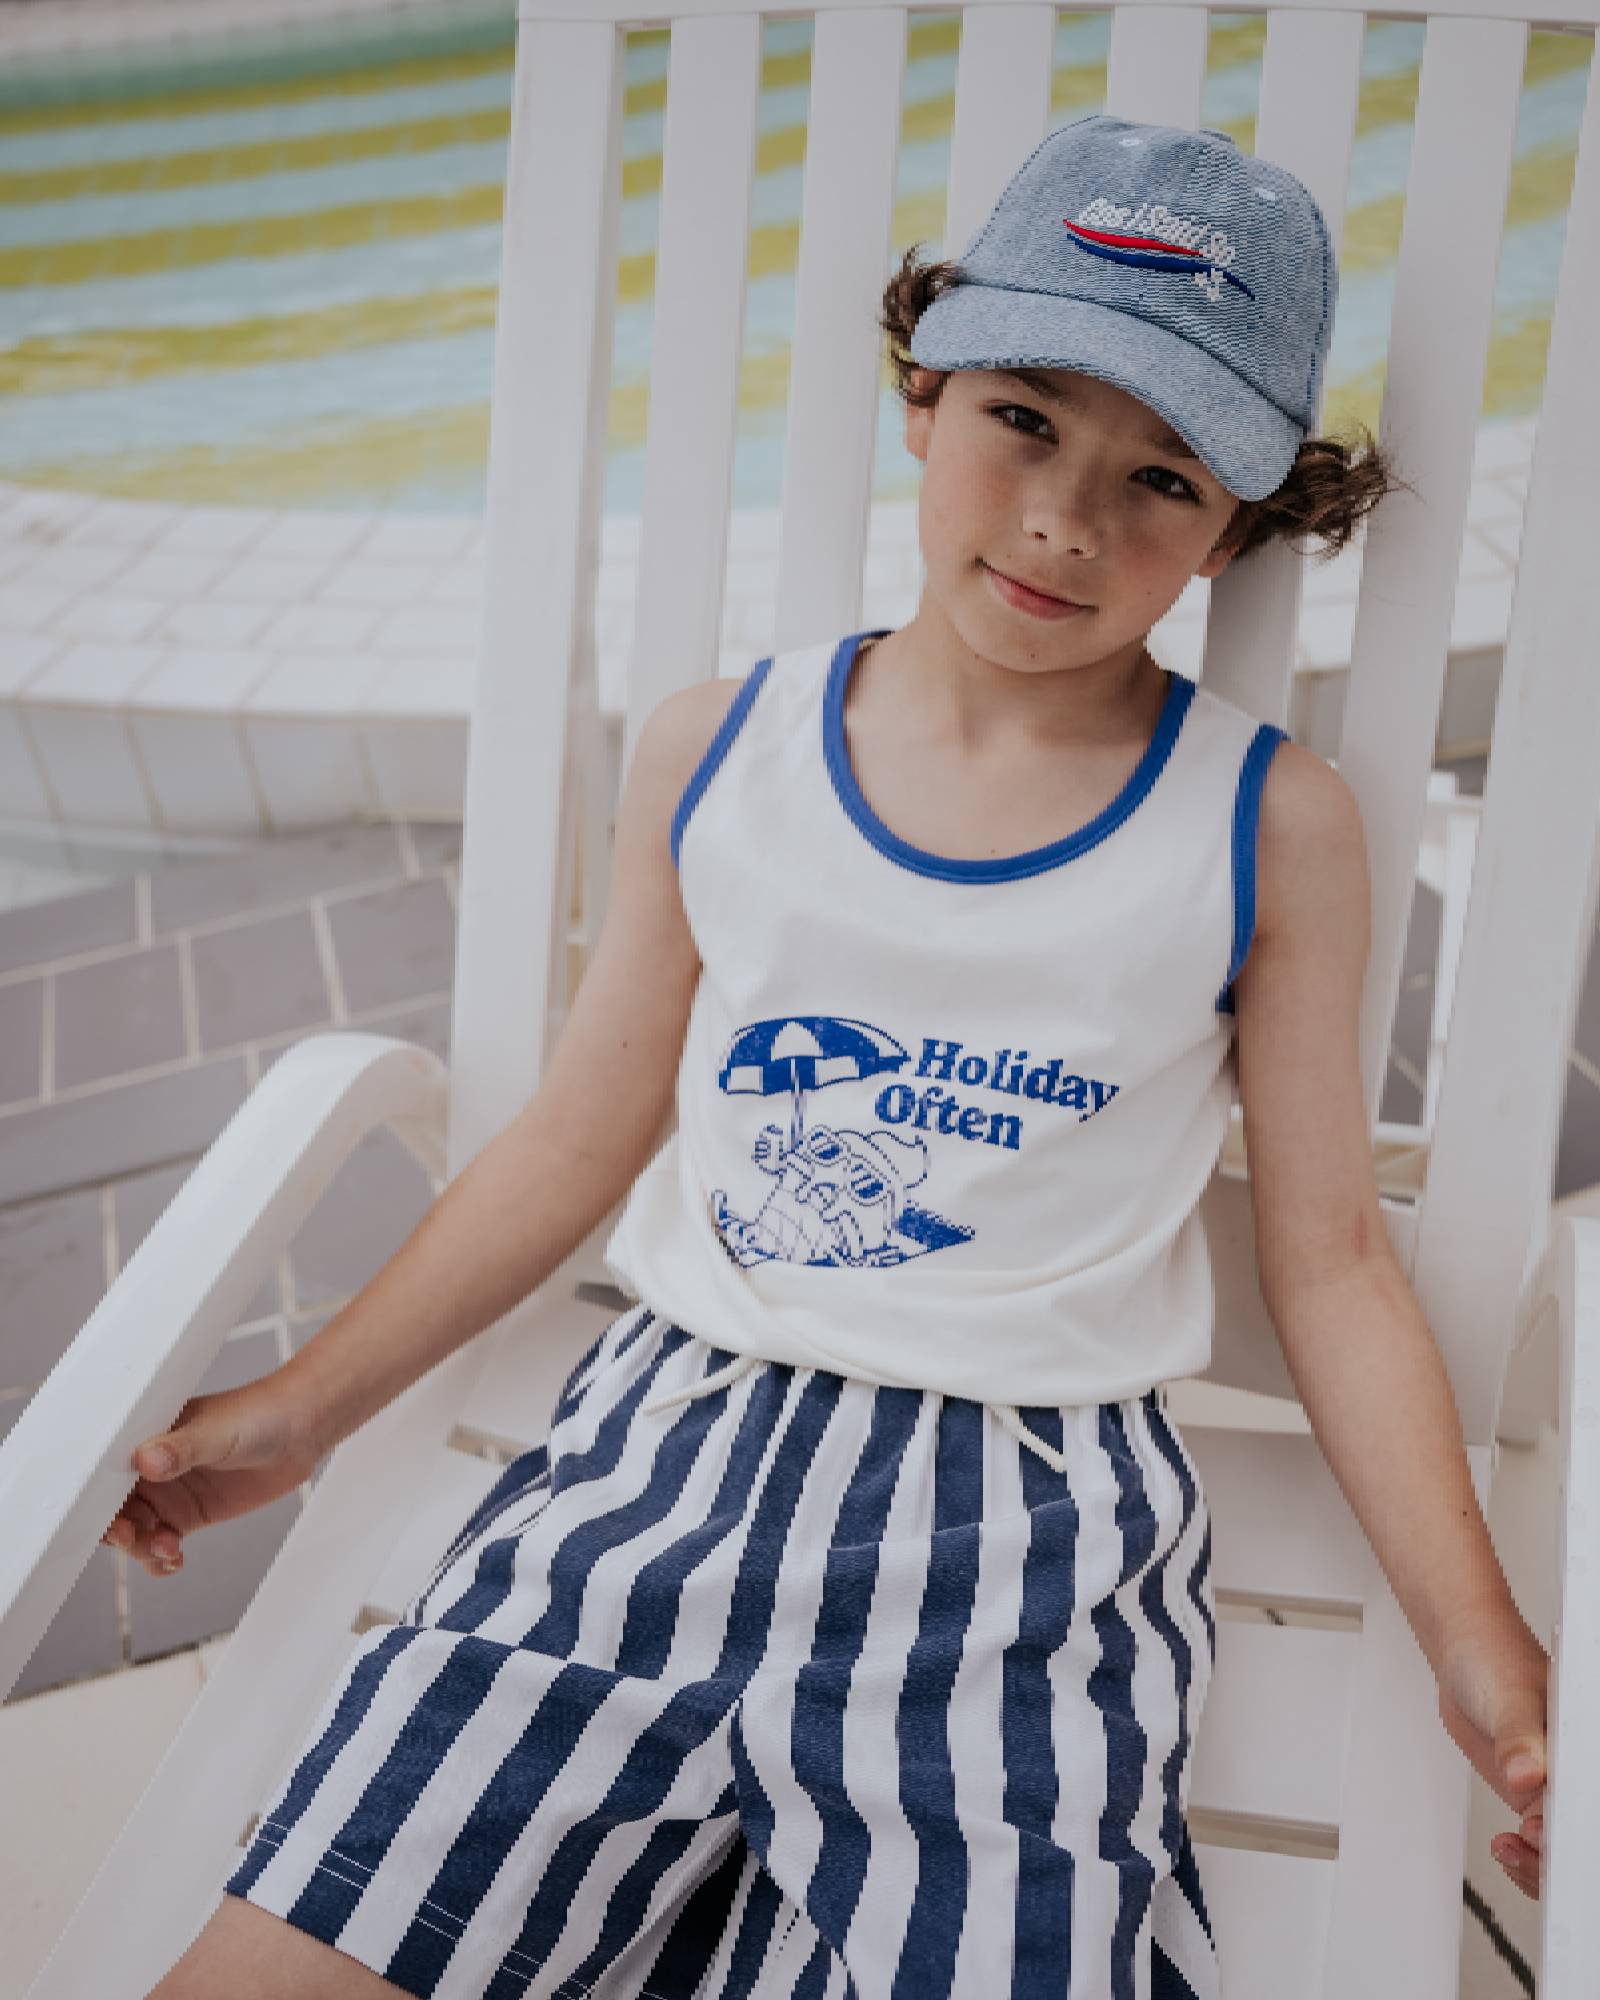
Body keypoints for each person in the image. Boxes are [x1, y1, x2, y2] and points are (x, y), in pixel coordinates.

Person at [113, 114, 1548, 1999]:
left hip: (1029, 1542)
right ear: (924, 392)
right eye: (1025, 417)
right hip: (655, 1468)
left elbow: (1331, 1257)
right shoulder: (721, 750)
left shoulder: (1269, 826)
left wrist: (1473, 1634)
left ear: (1233, 532)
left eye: (1163, 479)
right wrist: (306, 1406)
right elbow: (578, 1134)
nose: (1065, 518)